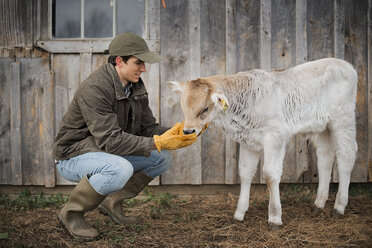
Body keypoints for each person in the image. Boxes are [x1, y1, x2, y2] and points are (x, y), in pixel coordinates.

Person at [53, 32, 199, 240]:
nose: (144, 69)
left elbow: (147, 128)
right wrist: (156, 141)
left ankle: (111, 202)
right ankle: (71, 213)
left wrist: (177, 133)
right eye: (138, 63)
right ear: (119, 61)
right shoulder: (95, 88)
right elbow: (110, 140)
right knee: (120, 168)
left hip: (103, 151)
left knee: (162, 158)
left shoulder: (135, 85)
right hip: (73, 156)